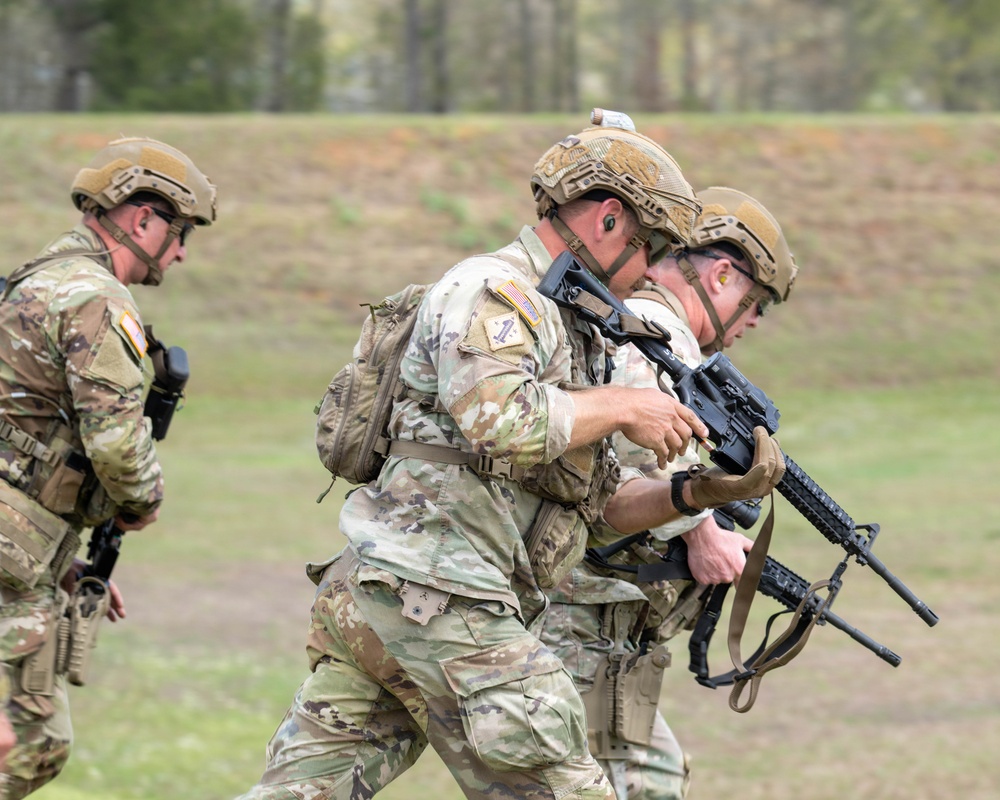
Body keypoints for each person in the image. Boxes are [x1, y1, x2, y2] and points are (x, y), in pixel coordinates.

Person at [237, 115, 785, 800]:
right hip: (441, 597)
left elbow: (597, 513)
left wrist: (694, 495)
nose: (651, 269)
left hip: (400, 602)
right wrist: (623, 406)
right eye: (651, 246)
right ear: (609, 221)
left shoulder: (571, 322)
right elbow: (501, 421)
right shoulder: (498, 290)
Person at [538, 186, 799, 800]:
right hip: (581, 626)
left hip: (605, 632)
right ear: (722, 273)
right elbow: (629, 464)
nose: (754, 319)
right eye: (755, 299)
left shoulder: (653, 331)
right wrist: (701, 530)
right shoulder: (655, 331)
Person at [0, 137, 216, 797]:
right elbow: (117, 441)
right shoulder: (96, 298)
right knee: (26, 741)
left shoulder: (34, 279)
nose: (180, 251)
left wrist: (65, 559)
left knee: (33, 740)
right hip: (15, 550)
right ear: (140, 216)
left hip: (24, 547)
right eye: (179, 232)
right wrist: (142, 504)